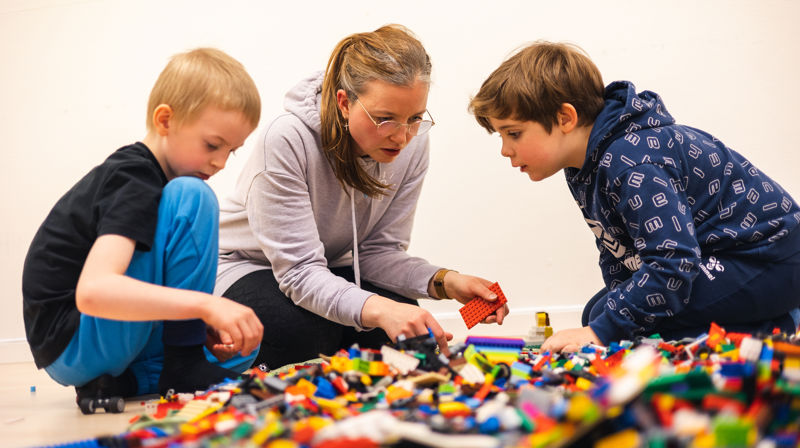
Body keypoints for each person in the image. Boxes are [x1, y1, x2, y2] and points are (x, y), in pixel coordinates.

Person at [469, 41, 800, 352]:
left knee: (611, 324)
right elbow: (617, 249)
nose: (505, 150)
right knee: (598, 314)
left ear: (565, 118)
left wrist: (604, 330)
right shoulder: (583, 165)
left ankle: (777, 325)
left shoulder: (632, 163)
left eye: (513, 133)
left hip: (769, 261)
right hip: (713, 258)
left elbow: (674, 263)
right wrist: (606, 323)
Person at [215, 24, 508, 369]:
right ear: (343, 102)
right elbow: (298, 273)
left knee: (407, 335)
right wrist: (379, 309)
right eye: (385, 119)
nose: (402, 136)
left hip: (332, 266)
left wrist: (445, 281)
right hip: (249, 265)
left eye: (415, 118)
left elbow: (376, 252)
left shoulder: (412, 143)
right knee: (302, 334)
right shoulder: (286, 140)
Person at [22, 48, 265, 403]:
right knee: (193, 196)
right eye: (213, 145)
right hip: (73, 337)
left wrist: (202, 321)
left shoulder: (154, 184)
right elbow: (94, 291)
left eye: (232, 151)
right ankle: (182, 365)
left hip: (85, 349)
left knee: (240, 349)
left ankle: (125, 382)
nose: (221, 163)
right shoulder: (135, 178)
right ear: (165, 120)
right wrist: (202, 306)